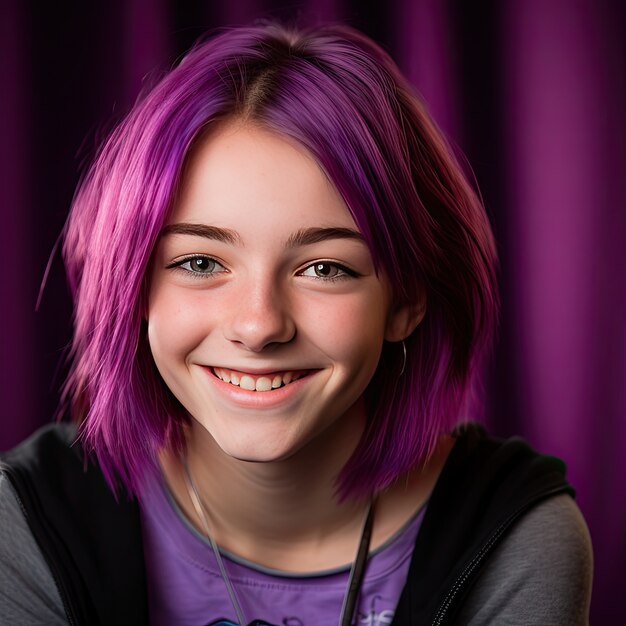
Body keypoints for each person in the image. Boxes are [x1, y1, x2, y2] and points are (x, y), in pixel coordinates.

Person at [0, 22, 592, 626]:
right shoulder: (27, 520)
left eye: (325, 268)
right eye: (200, 262)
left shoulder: (515, 537)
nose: (259, 326)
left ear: (406, 300)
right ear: (134, 287)